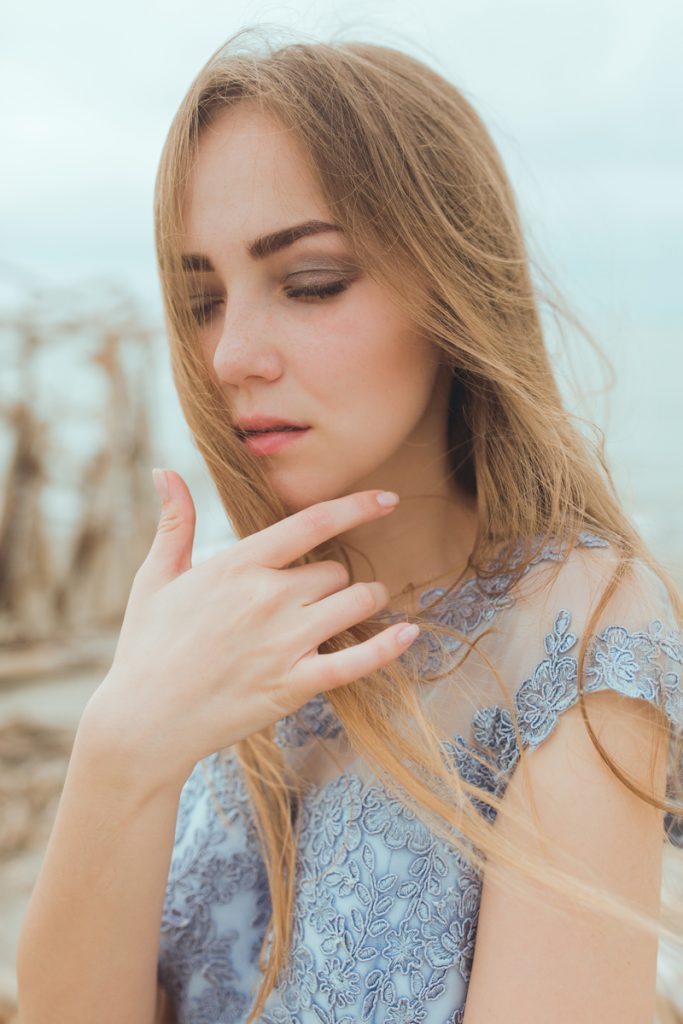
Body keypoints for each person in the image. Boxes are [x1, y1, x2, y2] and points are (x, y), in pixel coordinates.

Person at [16, 27, 683, 1024]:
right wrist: (121, 746)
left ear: (452, 287)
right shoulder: (219, 624)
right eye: (200, 297)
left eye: (310, 281)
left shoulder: (582, 629)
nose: (230, 353)